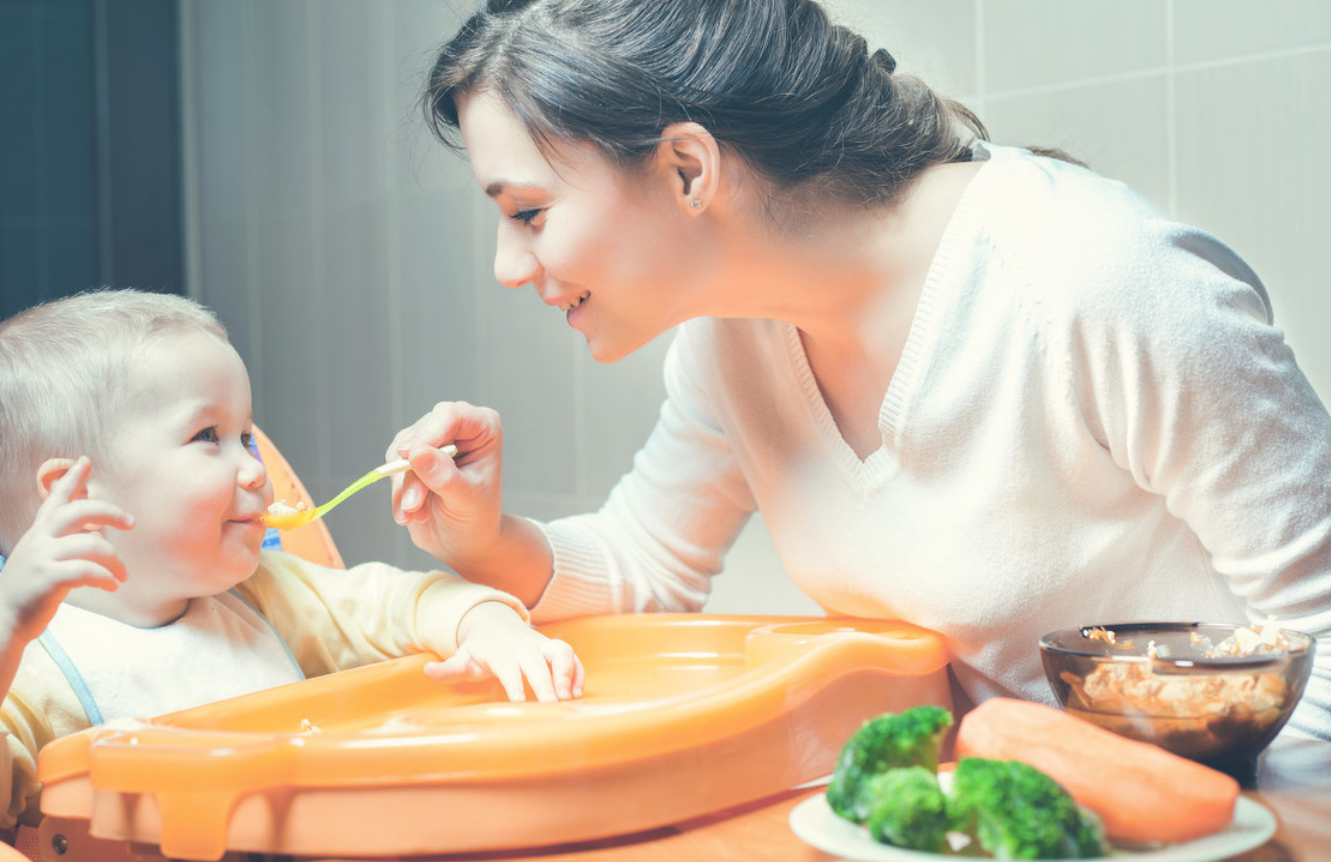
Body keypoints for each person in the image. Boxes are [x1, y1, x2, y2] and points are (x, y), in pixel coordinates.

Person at [385, 0, 1331, 740]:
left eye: (529, 213)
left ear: (685, 170)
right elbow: (644, 566)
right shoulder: (731, 342)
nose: (509, 268)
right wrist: (482, 532)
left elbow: (1321, 638)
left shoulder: (1092, 281)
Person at [0, 289, 584, 831]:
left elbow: (403, 605)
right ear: (78, 493)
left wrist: (488, 628)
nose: (253, 467)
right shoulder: (24, 668)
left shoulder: (264, 593)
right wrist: (4, 619)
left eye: (246, 432)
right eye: (209, 436)